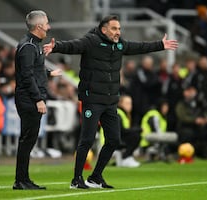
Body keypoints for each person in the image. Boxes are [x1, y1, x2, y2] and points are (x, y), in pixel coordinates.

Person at [43, 15, 178, 189]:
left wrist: (160, 45)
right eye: (114, 29)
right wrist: (56, 47)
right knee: (87, 139)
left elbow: (139, 47)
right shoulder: (91, 41)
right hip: (92, 99)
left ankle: (95, 177)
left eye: (119, 29)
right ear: (104, 29)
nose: (117, 32)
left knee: (114, 140)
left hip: (110, 101)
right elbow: (74, 45)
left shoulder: (119, 45)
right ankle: (76, 179)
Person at [13, 10, 61, 190]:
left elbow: (33, 70)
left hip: (29, 97)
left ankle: (23, 179)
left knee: (28, 140)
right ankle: (20, 180)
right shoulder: (28, 46)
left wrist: (49, 73)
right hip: (28, 99)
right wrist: (38, 99)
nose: (49, 26)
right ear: (39, 26)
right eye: (47, 23)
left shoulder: (33, 45)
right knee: (27, 140)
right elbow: (26, 76)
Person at [115, 95, 141, 167]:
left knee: (134, 135)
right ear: (121, 104)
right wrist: (137, 130)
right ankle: (126, 157)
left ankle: (127, 157)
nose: (130, 106)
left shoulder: (125, 114)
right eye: (127, 103)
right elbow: (121, 130)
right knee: (135, 136)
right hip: (110, 140)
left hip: (117, 138)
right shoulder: (118, 113)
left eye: (130, 103)